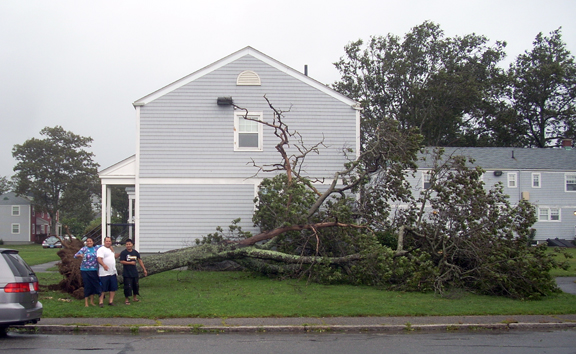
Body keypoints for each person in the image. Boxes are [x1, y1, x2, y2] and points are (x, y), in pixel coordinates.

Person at [74, 237, 101, 307]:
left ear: (93, 242)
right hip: (85, 270)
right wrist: (80, 255)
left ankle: (92, 301)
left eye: (90, 241)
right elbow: (75, 256)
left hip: (94, 270)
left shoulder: (96, 248)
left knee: (93, 285)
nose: (89, 242)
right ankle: (86, 302)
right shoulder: (84, 249)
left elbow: (107, 246)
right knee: (87, 285)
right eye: (87, 241)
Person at [119, 239, 147, 305]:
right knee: (127, 286)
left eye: (129, 244)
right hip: (127, 273)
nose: (128, 245)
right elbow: (121, 261)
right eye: (127, 244)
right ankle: (126, 299)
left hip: (134, 272)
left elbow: (139, 260)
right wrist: (130, 263)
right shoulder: (123, 253)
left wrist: (144, 269)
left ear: (132, 244)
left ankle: (135, 297)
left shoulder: (135, 252)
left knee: (136, 285)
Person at [97, 236, 119, 307]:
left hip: (112, 272)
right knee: (102, 288)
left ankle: (111, 301)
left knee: (112, 288)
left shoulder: (111, 249)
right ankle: (101, 302)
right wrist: (104, 265)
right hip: (104, 273)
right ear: (104, 242)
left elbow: (113, 257)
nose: (108, 242)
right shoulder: (101, 249)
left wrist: (121, 254)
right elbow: (99, 259)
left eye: (109, 241)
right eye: (107, 241)